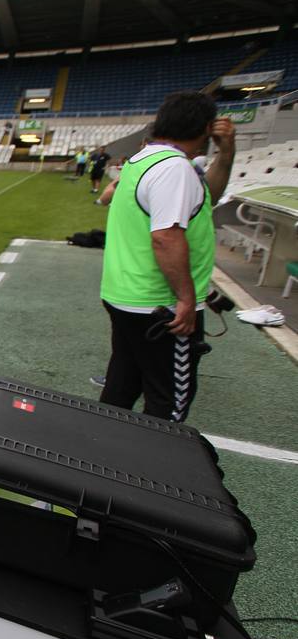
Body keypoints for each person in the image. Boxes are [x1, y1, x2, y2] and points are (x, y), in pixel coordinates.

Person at [99, 93, 235, 423]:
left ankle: (99, 452)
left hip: (126, 295)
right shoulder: (174, 169)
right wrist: (186, 299)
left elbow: (206, 199)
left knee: (123, 384)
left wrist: (226, 153)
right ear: (206, 128)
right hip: (160, 306)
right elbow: (165, 237)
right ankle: (152, 469)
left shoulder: (143, 161)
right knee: (170, 398)